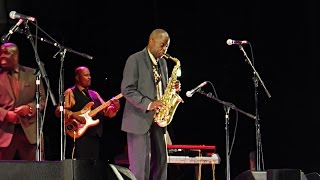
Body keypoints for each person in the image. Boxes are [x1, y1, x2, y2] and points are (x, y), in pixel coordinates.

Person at [121, 28, 181, 180]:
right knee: (141, 168)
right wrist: (149, 104)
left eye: (166, 46)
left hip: (158, 122)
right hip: (139, 119)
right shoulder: (135, 60)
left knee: (161, 164)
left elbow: (162, 90)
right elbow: (127, 90)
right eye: (162, 45)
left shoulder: (163, 64)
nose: (164, 49)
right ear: (151, 41)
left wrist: (173, 90)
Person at [55, 66, 120, 161]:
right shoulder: (70, 92)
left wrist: (116, 106)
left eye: (89, 75)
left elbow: (108, 112)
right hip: (79, 137)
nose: (89, 77)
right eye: (86, 75)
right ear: (77, 77)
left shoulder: (94, 94)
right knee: (81, 167)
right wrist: (73, 115)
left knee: (93, 169)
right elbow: (59, 111)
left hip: (95, 137)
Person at [0, 42, 46, 160]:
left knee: (34, 173)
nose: (1, 56)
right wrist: (6, 114)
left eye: (6, 53)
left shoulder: (33, 74)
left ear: (15, 56)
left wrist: (29, 108)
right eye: (0, 53)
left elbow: (42, 99)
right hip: (3, 133)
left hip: (29, 133)